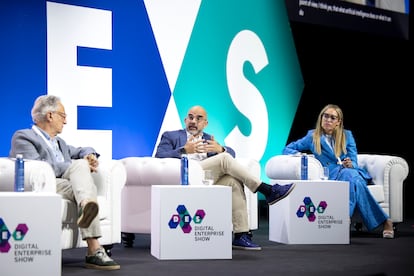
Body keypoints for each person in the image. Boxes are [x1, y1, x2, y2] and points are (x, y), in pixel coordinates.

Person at [155, 105, 295, 250]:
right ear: (185, 120)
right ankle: (267, 190)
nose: (193, 121)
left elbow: (231, 156)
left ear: (205, 123)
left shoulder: (209, 139)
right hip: (186, 174)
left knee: (233, 181)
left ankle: (241, 235)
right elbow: (159, 155)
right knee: (224, 159)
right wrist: (184, 150)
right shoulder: (171, 135)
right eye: (190, 117)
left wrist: (221, 149)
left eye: (198, 118)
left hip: (206, 178)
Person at [9, 95, 121, 270]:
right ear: (50, 115)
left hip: (69, 185)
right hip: (47, 184)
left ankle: (88, 215)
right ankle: (93, 249)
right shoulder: (24, 137)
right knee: (80, 171)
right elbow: (38, 168)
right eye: (63, 115)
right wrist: (79, 164)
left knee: (84, 180)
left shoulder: (59, 142)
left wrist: (90, 155)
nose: (66, 121)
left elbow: (79, 150)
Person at [282, 104, 394, 239]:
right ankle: (386, 221)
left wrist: (350, 164)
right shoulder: (312, 136)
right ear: (321, 117)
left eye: (332, 117)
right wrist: (301, 156)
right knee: (356, 182)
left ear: (338, 122)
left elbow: (354, 160)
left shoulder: (347, 135)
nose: (328, 120)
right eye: (326, 116)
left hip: (349, 171)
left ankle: (345, 216)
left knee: (351, 175)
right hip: (332, 174)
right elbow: (287, 149)